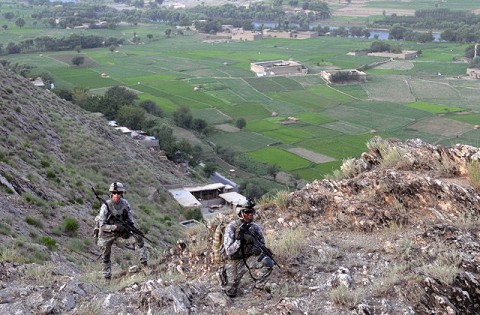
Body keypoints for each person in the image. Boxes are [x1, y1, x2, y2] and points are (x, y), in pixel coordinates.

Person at [95, 182, 148, 280]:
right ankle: (107, 278)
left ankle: (144, 263)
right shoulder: (106, 206)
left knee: (139, 239)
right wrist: (115, 227)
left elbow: (130, 218)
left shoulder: (125, 203)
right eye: (114, 193)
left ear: (122, 194)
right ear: (111, 194)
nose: (116, 195)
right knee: (105, 254)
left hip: (122, 231)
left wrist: (129, 226)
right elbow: (102, 226)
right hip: (107, 233)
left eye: (118, 193)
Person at [222, 200, 274, 298]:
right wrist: (239, 240)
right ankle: (223, 274)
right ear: (240, 213)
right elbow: (228, 251)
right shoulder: (232, 227)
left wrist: (257, 249)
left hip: (249, 257)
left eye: (252, 212)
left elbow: (262, 242)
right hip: (235, 261)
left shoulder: (254, 227)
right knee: (231, 291)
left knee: (268, 262)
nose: (250, 214)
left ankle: (259, 286)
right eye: (247, 212)